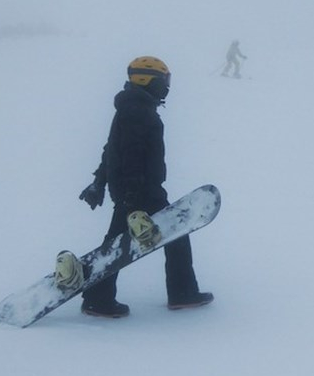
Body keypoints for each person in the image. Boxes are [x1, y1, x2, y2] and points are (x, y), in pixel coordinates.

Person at [78, 56, 213, 318]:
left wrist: (99, 181)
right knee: (133, 242)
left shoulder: (135, 108)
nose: (167, 86)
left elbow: (110, 149)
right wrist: (129, 197)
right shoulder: (137, 112)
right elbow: (126, 153)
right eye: (164, 80)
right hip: (140, 192)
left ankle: (100, 297)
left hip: (139, 190)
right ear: (147, 79)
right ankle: (99, 298)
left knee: (134, 241)